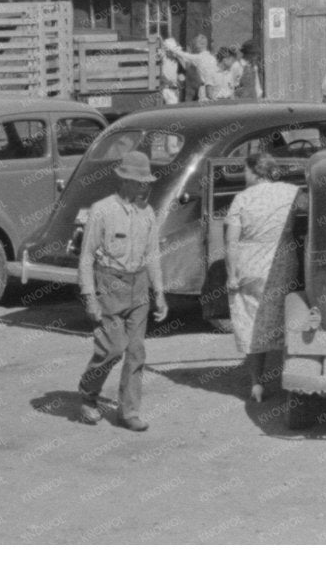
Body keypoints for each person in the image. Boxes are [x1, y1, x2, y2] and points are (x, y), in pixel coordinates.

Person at [76, 149, 168, 430]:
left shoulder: (148, 212)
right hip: (109, 284)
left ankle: (129, 411)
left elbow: (152, 255)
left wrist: (160, 294)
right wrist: (90, 297)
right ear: (125, 180)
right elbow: (86, 257)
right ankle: (88, 394)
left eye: (147, 182)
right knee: (113, 348)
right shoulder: (102, 210)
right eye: (140, 182)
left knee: (137, 352)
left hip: (138, 286)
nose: (146, 187)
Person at [224, 150, 303, 403]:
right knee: (285, 317)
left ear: (254, 172)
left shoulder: (242, 199)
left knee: (252, 322)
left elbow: (231, 242)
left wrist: (231, 274)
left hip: (250, 265)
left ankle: (257, 383)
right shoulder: (291, 192)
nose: (243, 176)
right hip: (282, 262)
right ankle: (290, 380)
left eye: (245, 170)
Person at [162, 34, 221, 102]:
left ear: (199, 45)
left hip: (205, 89)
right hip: (214, 87)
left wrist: (173, 49)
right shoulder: (212, 58)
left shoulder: (199, 58)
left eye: (195, 44)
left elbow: (185, 56)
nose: (194, 46)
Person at [155, 37, 182, 105]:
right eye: (172, 52)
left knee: (174, 103)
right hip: (166, 87)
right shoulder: (165, 58)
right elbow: (159, 53)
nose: (174, 54)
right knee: (172, 104)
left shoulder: (176, 60)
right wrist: (160, 40)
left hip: (174, 87)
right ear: (167, 52)